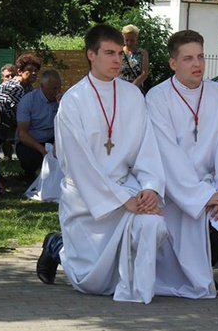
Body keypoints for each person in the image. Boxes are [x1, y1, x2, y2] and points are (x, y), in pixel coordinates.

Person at [36, 24, 168, 304]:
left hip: (125, 188)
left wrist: (150, 187)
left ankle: (135, 287)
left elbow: (148, 148)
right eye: (109, 53)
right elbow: (78, 164)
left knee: (152, 223)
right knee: (91, 283)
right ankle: (57, 246)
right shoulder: (73, 101)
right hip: (88, 199)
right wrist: (122, 200)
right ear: (91, 55)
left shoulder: (133, 95)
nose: (118, 60)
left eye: (120, 53)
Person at [146, 29, 218, 297]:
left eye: (201, 57)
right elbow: (167, 154)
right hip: (174, 191)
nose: (198, 64)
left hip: (213, 185)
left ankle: (204, 273)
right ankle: (190, 275)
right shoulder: (157, 97)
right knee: (183, 227)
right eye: (188, 58)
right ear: (173, 63)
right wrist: (204, 196)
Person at [15, 69, 61, 183]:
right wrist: (42, 150)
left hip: (52, 139)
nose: (56, 91)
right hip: (32, 141)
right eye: (53, 88)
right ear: (42, 86)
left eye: (58, 87)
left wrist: (63, 108)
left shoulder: (63, 100)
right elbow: (22, 134)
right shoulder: (28, 101)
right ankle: (29, 174)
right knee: (30, 157)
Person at [0, 53, 41, 158]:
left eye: (36, 71)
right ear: (19, 71)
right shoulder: (13, 87)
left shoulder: (28, 88)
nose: (33, 73)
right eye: (30, 70)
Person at [118, 24, 149, 92]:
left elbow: (144, 73)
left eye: (132, 40)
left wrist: (132, 87)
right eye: (127, 40)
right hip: (119, 88)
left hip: (135, 88)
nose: (129, 43)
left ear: (136, 39)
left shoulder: (143, 53)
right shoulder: (118, 52)